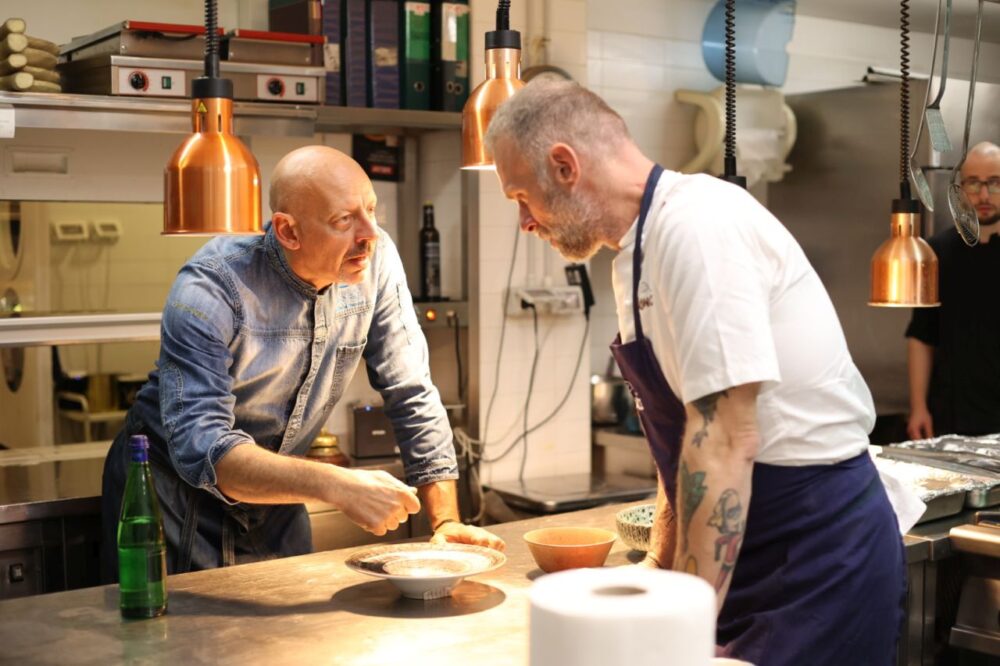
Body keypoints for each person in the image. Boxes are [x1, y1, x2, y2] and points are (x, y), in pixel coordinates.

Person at [485, 81, 906, 665]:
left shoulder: (698, 227)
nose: (524, 222)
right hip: (748, 560)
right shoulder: (634, 254)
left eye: (521, 196)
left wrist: (676, 632)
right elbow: (683, 444)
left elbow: (726, 438)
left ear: (564, 166)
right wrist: (659, 568)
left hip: (816, 563)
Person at [101, 146, 502, 581]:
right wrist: (335, 484)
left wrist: (445, 520)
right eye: (344, 220)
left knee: (288, 614)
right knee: (182, 621)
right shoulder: (212, 287)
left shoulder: (376, 261)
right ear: (288, 231)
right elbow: (204, 447)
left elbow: (411, 390)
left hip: (278, 494)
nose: (370, 234)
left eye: (371, 210)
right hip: (173, 496)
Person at [906, 141, 1000, 440]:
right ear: (960, 187)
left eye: (995, 183)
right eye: (973, 183)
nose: (984, 195)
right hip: (950, 416)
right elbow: (922, 335)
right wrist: (918, 406)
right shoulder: (937, 251)